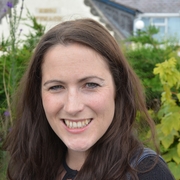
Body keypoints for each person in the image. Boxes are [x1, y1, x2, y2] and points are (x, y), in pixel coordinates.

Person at [4, 18, 174, 180]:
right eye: (56, 87)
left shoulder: (146, 173)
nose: (72, 107)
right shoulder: (31, 166)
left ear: (118, 88)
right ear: (38, 95)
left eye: (91, 85)